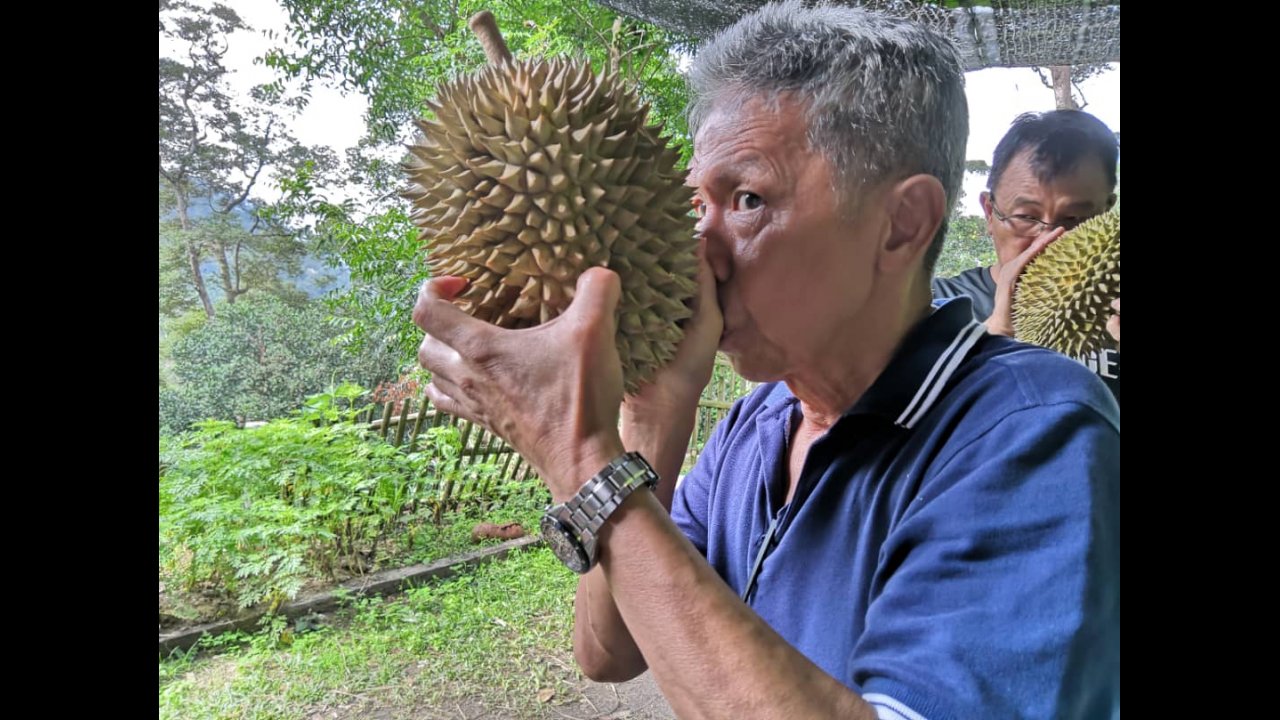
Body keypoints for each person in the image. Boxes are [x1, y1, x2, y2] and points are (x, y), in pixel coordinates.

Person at [414, 3, 1119, 718]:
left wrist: (576, 453)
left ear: (901, 226)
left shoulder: (1035, 432)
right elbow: (608, 651)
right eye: (697, 206)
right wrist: (654, 416)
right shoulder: (756, 425)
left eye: (747, 200)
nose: (700, 253)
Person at [933, 110, 1121, 402]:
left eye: (1075, 219)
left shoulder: (1112, 308)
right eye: (1026, 217)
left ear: (1106, 213)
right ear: (989, 212)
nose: (1048, 240)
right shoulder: (935, 308)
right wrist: (996, 335)